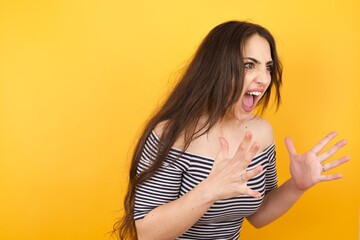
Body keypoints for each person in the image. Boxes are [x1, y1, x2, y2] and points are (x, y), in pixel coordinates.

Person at [112, 21, 349, 239]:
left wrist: (297, 186)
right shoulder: (172, 134)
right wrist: (209, 190)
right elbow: (146, 233)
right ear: (217, 68)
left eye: (268, 67)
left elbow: (258, 214)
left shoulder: (261, 133)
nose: (264, 79)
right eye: (249, 65)